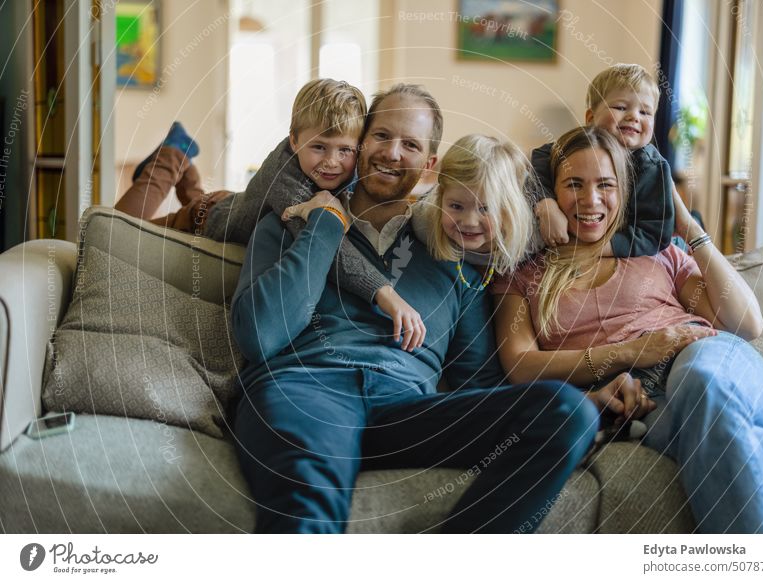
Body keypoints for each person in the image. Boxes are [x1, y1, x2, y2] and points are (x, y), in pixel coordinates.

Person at [230, 84, 605, 534]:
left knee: (567, 413)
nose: (392, 152)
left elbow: (477, 382)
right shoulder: (292, 219)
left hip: (403, 410)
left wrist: (593, 392)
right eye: (382, 135)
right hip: (306, 392)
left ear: (429, 164)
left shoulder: (454, 248)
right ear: (362, 141)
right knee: (307, 504)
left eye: (410, 144)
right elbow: (259, 334)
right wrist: (325, 226)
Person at [493, 125, 763, 533]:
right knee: (722, 442)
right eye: (573, 184)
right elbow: (521, 364)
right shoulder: (525, 272)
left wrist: (686, 225)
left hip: (712, 361)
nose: (591, 199)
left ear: (624, 191)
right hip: (647, 403)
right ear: (551, 190)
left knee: (699, 380)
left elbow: (746, 323)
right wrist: (631, 353)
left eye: (606, 184)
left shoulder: (656, 252)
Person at [115, 79, 426, 351]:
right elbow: (328, 247)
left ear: (358, 147)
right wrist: (384, 293)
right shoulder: (286, 179)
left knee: (211, 198)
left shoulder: (351, 163)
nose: (332, 162)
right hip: (209, 218)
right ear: (294, 140)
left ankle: (185, 168)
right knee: (120, 227)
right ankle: (172, 154)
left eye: (344, 150)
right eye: (318, 147)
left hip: (240, 202)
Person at [532, 63, 674, 257]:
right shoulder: (577, 148)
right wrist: (546, 204)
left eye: (645, 112)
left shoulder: (652, 167)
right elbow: (538, 161)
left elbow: (655, 233)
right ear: (590, 117)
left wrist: (590, 251)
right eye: (621, 107)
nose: (633, 116)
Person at [414, 133, 536, 280]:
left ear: (508, 208)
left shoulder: (531, 238)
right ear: (440, 198)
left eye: (485, 209)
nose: (469, 222)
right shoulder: (423, 224)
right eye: (456, 206)